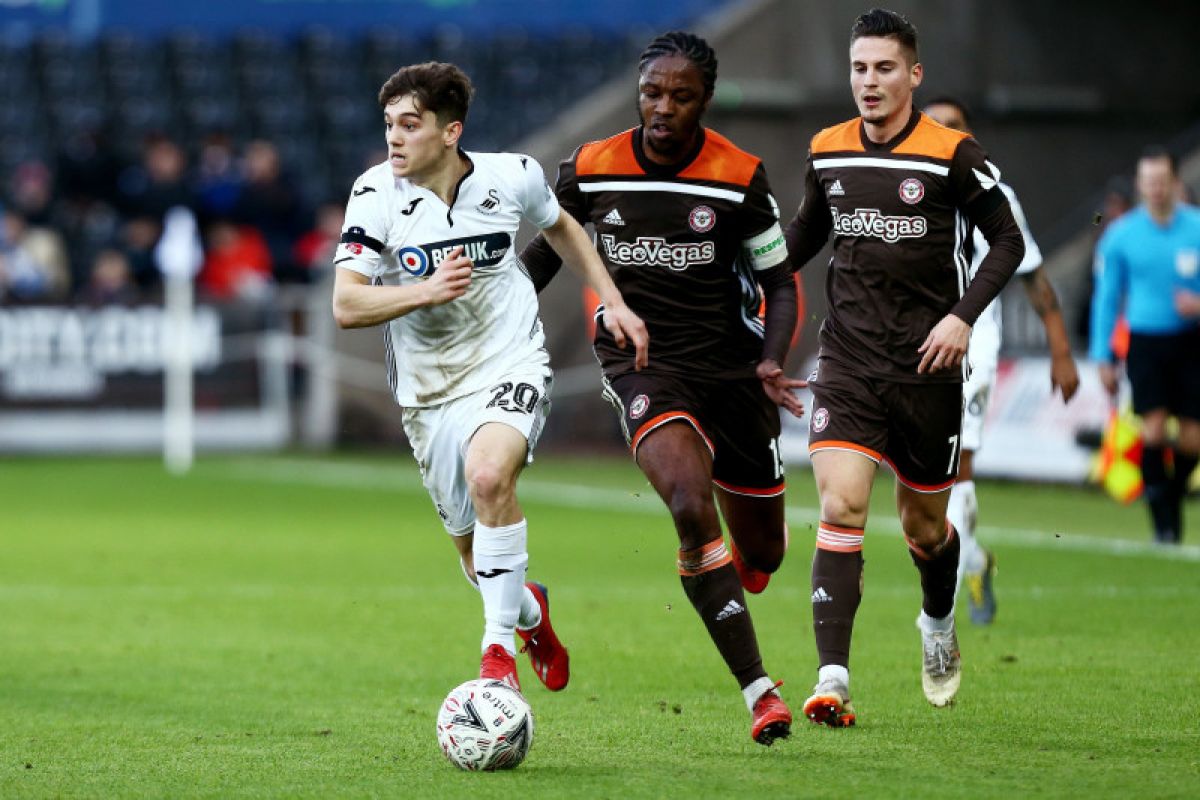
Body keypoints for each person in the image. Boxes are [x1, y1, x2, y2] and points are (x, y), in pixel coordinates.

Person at [520, 31, 803, 746]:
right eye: (652, 93)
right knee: (686, 501)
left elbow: (779, 281)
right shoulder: (591, 167)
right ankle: (760, 692)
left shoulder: (740, 177)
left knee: (763, 553)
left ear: (704, 100)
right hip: (643, 364)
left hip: (734, 374)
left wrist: (771, 358)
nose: (663, 108)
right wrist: (498, 324)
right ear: (638, 92)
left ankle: (732, 572)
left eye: (681, 96)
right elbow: (548, 250)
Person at [331, 62, 648, 693]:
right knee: (477, 562)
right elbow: (346, 305)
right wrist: (423, 292)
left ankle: (496, 658)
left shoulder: (514, 176)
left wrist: (612, 298)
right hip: (428, 393)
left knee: (488, 475)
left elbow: (561, 226)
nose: (394, 138)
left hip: (510, 359)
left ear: (451, 132)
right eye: (389, 124)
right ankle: (530, 614)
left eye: (410, 125)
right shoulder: (374, 194)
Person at [784, 8, 1025, 722]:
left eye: (885, 68)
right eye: (860, 68)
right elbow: (805, 234)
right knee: (840, 504)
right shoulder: (827, 148)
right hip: (849, 358)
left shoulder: (954, 154)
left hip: (927, 368)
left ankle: (938, 621)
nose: (870, 81)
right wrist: (741, 268)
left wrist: (960, 318)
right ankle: (832, 679)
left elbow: (1007, 243)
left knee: (925, 528)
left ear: (913, 75)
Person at [922, 96, 1080, 624]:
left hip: (972, 342)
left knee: (956, 464)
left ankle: (957, 581)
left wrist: (1061, 351)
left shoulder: (994, 195)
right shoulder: (904, 188)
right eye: (933, 125)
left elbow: (1032, 275)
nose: (942, 134)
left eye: (953, 127)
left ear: (968, 137)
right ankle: (975, 558)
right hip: (907, 343)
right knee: (924, 479)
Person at [1089, 146, 1200, 544]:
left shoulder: (1196, 227)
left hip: (1191, 341)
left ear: (1174, 182)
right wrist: (1103, 356)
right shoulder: (1121, 236)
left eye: (1161, 181)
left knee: (1192, 438)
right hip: (1145, 342)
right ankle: (1163, 525)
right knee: (1153, 431)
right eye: (1148, 182)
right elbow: (1106, 298)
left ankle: (1169, 492)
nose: (1155, 188)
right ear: (1140, 185)